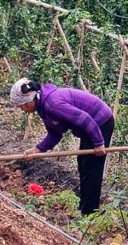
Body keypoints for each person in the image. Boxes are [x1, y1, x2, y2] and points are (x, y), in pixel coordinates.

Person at [10, 78, 115, 216]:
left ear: (28, 101)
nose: (22, 110)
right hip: (91, 125)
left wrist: (99, 143)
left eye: (21, 106)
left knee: (91, 169)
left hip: (100, 121)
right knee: (83, 164)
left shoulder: (52, 104)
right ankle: (85, 208)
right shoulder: (44, 107)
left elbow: (85, 119)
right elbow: (55, 134)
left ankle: (90, 214)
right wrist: (37, 150)